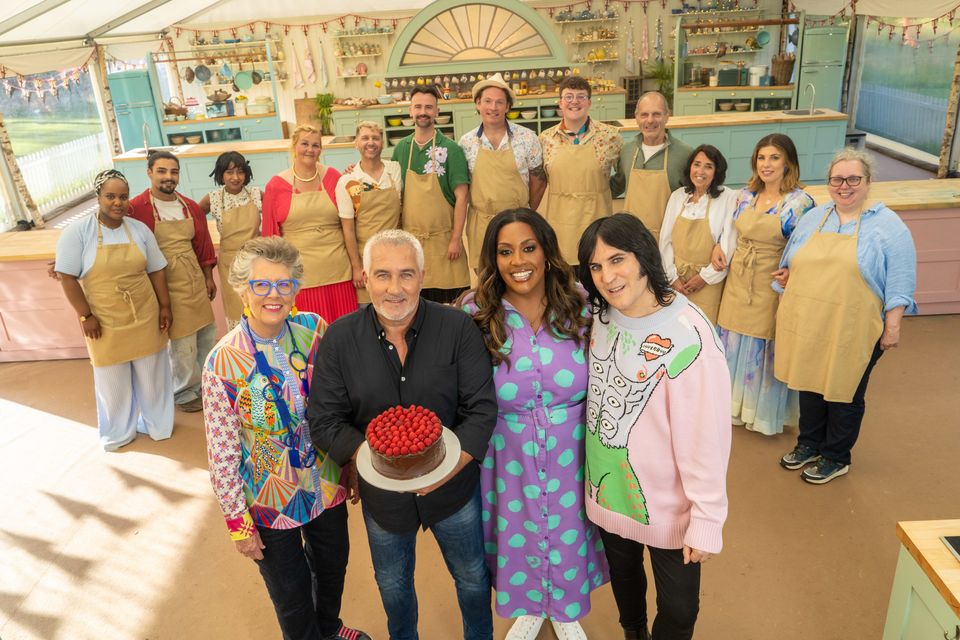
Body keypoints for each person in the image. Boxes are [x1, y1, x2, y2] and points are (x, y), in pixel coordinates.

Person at [309, 229, 498, 640]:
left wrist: (448, 470)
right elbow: (324, 419)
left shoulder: (457, 328)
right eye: (382, 275)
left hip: (454, 489)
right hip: (383, 497)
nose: (395, 289)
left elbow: (481, 410)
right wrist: (374, 461)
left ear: (423, 275)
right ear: (364, 276)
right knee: (393, 586)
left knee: (471, 579)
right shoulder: (340, 338)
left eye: (406, 274)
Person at [201, 236, 369, 640]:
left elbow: (341, 403)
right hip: (267, 497)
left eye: (284, 284)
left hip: (325, 484)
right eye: (262, 285)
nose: (274, 295)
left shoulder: (314, 330)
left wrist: (350, 463)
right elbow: (222, 454)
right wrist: (239, 524)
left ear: (296, 287)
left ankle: (329, 628)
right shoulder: (223, 361)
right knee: (291, 593)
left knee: (333, 565)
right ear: (243, 289)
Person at [578, 213, 731, 640]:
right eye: (595, 266)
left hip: (670, 510)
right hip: (610, 497)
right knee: (626, 585)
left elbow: (707, 439)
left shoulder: (690, 336)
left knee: (680, 612)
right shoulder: (601, 318)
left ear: (644, 256)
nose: (607, 276)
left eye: (617, 259)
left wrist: (707, 518)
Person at [460, 209, 607, 640]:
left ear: (545, 251)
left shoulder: (581, 304)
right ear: (493, 258)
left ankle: (562, 609)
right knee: (517, 533)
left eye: (528, 248)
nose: (518, 261)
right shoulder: (474, 312)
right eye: (505, 252)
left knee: (567, 531)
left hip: (572, 449)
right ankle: (529, 606)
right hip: (506, 454)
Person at [774, 148, 917, 484]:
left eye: (854, 179)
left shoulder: (888, 226)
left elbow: (900, 280)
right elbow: (791, 260)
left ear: (867, 183)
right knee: (808, 383)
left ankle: (836, 456)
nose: (845, 186)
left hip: (855, 326)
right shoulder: (815, 218)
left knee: (845, 390)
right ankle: (809, 443)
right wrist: (787, 275)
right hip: (808, 320)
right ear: (829, 183)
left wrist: (893, 325)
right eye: (838, 179)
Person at [55, 169, 174, 450]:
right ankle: (118, 432)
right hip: (103, 319)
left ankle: (158, 425)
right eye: (110, 196)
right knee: (113, 381)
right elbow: (66, 276)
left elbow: (156, 269)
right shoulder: (78, 232)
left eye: (122, 196)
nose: (117, 202)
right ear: (98, 196)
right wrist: (85, 315)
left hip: (144, 313)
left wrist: (165, 306)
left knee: (152, 376)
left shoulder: (138, 230)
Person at [712, 134, 815, 436]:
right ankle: (731, 407)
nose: (766, 164)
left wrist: (792, 271)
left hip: (771, 280)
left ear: (789, 163)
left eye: (774, 158)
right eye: (761, 158)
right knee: (732, 340)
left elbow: (806, 246)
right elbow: (728, 231)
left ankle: (763, 414)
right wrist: (718, 246)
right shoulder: (744, 196)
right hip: (738, 278)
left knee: (762, 345)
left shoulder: (800, 202)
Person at [128, 150, 217, 413]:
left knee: (205, 335)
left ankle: (205, 385)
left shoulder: (189, 207)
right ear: (149, 173)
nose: (169, 177)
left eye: (173, 172)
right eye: (162, 171)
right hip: (163, 281)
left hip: (194, 278)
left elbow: (202, 244)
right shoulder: (136, 208)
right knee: (181, 342)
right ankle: (184, 391)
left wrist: (208, 277)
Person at [262, 124, 357, 321]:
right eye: (304, 143)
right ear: (294, 146)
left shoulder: (333, 177)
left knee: (344, 335)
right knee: (309, 337)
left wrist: (355, 176)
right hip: (301, 277)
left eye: (315, 145)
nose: (310, 150)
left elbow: (351, 223)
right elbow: (271, 238)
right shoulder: (276, 185)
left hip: (339, 272)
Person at [393, 85, 471, 303]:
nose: (423, 112)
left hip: (445, 245)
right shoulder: (402, 149)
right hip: (412, 246)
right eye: (418, 107)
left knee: (451, 307)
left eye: (429, 107)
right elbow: (393, 194)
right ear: (410, 111)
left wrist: (456, 238)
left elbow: (462, 197)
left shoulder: (450, 149)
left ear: (437, 112)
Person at [460, 73, 546, 270]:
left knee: (518, 271)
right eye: (487, 101)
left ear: (507, 107)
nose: (493, 107)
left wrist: (525, 211)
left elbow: (538, 179)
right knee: (486, 275)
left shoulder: (527, 137)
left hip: (517, 222)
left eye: (500, 102)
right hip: (481, 223)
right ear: (477, 104)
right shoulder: (466, 142)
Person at [539, 75, 623, 266]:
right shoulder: (545, 139)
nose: (574, 102)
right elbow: (539, 181)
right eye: (568, 96)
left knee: (598, 278)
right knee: (564, 284)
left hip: (597, 223)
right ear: (560, 103)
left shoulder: (611, 137)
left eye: (581, 96)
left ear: (589, 102)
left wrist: (602, 192)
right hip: (560, 226)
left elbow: (623, 176)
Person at [658, 144, 737, 324]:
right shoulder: (678, 196)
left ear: (717, 172)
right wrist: (673, 277)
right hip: (677, 281)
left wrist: (703, 278)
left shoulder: (728, 197)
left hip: (708, 283)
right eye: (697, 164)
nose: (700, 171)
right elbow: (665, 241)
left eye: (708, 166)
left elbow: (727, 246)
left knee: (705, 331)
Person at [611, 92, 693, 242]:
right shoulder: (626, 151)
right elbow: (617, 185)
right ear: (636, 117)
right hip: (632, 236)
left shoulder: (684, 154)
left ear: (667, 115)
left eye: (657, 114)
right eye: (644, 115)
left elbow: (696, 197)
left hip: (670, 237)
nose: (650, 120)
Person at [335, 120, 402, 304]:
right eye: (365, 138)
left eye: (375, 138)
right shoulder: (348, 181)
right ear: (356, 143)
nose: (370, 142)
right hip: (367, 258)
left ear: (382, 142)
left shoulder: (395, 170)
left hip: (396, 254)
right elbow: (348, 229)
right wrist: (357, 267)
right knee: (370, 308)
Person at [200, 151, 262, 327]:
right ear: (220, 174)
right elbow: (195, 220)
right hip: (230, 265)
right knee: (237, 312)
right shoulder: (213, 199)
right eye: (229, 172)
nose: (235, 177)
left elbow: (277, 212)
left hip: (257, 262)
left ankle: (267, 347)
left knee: (260, 306)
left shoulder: (256, 194)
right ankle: (241, 352)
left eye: (240, 171)